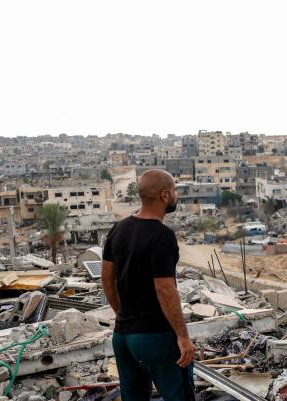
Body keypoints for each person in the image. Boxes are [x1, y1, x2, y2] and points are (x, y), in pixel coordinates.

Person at [101, 169, 196, 401]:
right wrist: (183, 337)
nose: (176, 196)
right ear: (165, 195)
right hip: (156, 337)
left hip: (123, 337)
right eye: (174, 191)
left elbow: (106, 278)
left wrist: (122, 314)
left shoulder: (119, 228)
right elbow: (165, 289)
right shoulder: (162, 235)